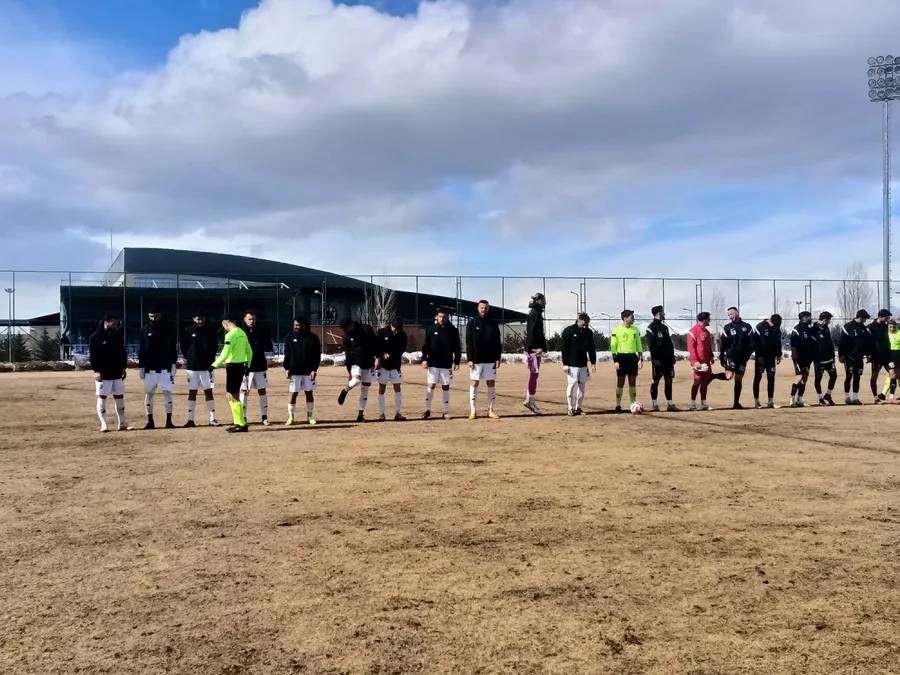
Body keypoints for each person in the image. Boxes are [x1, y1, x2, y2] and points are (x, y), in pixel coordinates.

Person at [212, 313, 253, 433]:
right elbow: (249, 351)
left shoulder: (230, 335)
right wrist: (248, 364)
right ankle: (237, 422)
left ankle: (241, 423)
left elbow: (225, 352)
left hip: (233, 366)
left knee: (233, 395)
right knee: (231, 394)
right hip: (240, 366)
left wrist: (214, 365)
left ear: (224, 323)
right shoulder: (242, 333)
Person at [138, 305, 177, 429]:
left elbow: (173, 347)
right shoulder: (144, 330)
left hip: (165, 368)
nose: (154, 318)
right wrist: (141, 366)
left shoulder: (169, 329)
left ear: (160, 315)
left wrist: (173, 363)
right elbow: (142, 349)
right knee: (149, 393)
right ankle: (150, 421)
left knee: (167, 393)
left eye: (156, 316)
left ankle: (169, 421)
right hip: (150, 368)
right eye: (151, 316)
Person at [89, 313, 128, 432]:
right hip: (103, 373)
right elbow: (93, 356)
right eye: (114, 323)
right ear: (106, 323)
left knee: (119, 396)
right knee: (102, 397)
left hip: (116, 371)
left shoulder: (118, 336)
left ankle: (122, 423)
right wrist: (96, 370)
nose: (116, 325)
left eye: (117, 323)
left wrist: (123, 367)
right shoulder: (95, 337)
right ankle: (104, 424)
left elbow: (123, 353)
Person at [181, 310, 220, 427]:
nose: (200, 321)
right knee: (192, 392)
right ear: (194, 319)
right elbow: (184, 347)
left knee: (209, 391)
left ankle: (212, 419)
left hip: (207, 367)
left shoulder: (211, 330)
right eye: (198, 319)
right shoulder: (188, 330)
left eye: (202, 318)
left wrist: (211, 360)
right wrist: (189, 357)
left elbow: (215, 346)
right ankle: (190, 419)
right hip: (192, 367)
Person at [421, 309, 461, 420]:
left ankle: (445, 411)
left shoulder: (453, 330)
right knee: (431, 385)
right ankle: (427, 410)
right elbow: (425, 346)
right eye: (440, 316)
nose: (441, 319)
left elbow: (457, 347)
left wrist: (457, 361)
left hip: (446, 363)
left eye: (444, 317)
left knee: (445, 386)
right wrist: (424, 359)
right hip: (433, 363)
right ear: (437, 317)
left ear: (448, 317)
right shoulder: (431, 329)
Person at [466, 300, 502, 419]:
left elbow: (497, 342)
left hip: (490, 359)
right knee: (474, 383)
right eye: (482, 308)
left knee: (490, 383)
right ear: (478, 308)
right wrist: (470, 358)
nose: (483, 310)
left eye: (485, 308)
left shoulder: (493, 323)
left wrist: (497, 357)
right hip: (476, 359)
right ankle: (473, 411)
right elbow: (469, 342)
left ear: (488, 309)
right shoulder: (472, 323)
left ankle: (490, 410)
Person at [337, 318, 379, 422]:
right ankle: (345, 390)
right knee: (356, 380)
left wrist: (377, 358)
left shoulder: (366, 329)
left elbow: (376, 343)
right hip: (355, 362)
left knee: (365, 389)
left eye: (345, 329)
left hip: (368, 362)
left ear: (351, 325)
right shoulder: (346, 337)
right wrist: (349, 371)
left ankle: (360, 414)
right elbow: (347, 354)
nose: (344, 331)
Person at [283, 316, 321, 425]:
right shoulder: (290, 337)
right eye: (295, 325)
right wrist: (287, 368)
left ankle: (310, 416)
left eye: (298, 325)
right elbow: (287, 354)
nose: (296, 327)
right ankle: (291, 417)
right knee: (293, 393)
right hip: (294, 371)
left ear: (305, 325)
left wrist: (314, 370)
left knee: (309, 393)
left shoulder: (313, 338)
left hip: (308, 372)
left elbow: (316, 356)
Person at [686, 312, 728, 411]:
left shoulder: (706, 332)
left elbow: (708, 346)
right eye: (709, 319)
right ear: (704, 320)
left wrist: (711, 356)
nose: (710, 320)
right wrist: (695, 361)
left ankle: (704, 404)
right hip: (698, 362)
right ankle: (692, 404)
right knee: (697, 382)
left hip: (706, 362)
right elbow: (691, 349)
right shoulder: (692, 331)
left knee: (705, 382)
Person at [719, 306, 755, 409]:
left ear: (737, 312)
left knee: (738, 379)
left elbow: (751, 344)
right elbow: (723, 343)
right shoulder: (727, 327)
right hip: (731, 356)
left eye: (731, 314)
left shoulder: (747, 327)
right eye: (729, 315)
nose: (730, 317)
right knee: (729, 376)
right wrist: (722, 356)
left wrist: (746, 357)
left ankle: (736, 403)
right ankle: (712, 376)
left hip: (742, 358)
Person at [241, 310, 273, 425]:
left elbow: (269, 346)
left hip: (260, 365)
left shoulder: (262, 330)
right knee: (244, 391)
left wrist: (261, 345)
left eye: (253, 319)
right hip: (245, 367)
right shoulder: (241, 332)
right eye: (249, 319)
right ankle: (243, 418)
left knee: (262, 391)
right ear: (245, 319)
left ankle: (264, 417)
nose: (252, 321)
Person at [561, 313, 596, 415]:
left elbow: (591, 348)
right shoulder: (568, 331)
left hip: (583, 364)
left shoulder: (588, 332)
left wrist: (593, 362)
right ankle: (570, 407)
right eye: (583, 324)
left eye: (586, 324)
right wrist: (565, 364)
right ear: (579, 320)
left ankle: (578, 407)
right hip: (572, 364)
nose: (585, 326)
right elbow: (564, 349)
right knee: (571, 385)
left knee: (582, 386)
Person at [645, 305, 679, 412]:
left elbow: (668, 343)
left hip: (668, 359)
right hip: (658, 360)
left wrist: (672, 356)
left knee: (669, 380)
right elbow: (651, 345)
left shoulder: (665, 327)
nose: (664, 314)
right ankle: (655, 404)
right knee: (655, 381)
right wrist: (654, 358)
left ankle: (670, 404)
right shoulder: (651, 328)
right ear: (659, 313)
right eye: (663, 312)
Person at [376, 318, 408, 421]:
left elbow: (402, 348)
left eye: (398, 329)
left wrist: (392, 354)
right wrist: (381, 355)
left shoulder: (403, 335)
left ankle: (398, 413)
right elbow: (377, 346)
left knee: (397, 388)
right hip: (384, 366)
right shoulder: (382, 332)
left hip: (395, 366)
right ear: (391, 325)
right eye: (395, 329)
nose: (396, 331)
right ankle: (381, 414)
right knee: (382, 388)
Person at [610, 309, 642, 413]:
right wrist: (615, 360)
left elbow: (639, 345)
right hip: (621, 358)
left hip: (632, 358)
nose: (633, 319)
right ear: (625, 318)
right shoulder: (616, 330)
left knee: (632, 382)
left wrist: (640, 359)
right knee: (620, 382)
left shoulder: (635, 330)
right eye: (631, 317)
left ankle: (633, 404)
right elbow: (613, 346)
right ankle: (618, 405)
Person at [838, 309, 871, 405]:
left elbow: (866, 343)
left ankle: (855, 398)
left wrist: (868, 354)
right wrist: (841, 355)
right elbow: (842, 343)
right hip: (849, 357)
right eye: (865, 318)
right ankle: (847, 397)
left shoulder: (864, 328)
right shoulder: (847, 327)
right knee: (849, 377)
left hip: (860, 358)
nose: (865, 320)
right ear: (860, 318)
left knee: (857, 377)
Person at [523, 292, 547, 414]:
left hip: (535, 348)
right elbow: (532, 332)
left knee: (534, 374)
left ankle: (530, 399)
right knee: (534, 373)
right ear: (538, 301)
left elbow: (539, 333)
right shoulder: (534, 314)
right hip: (533, 349)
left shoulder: (537, 313)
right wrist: (535, 347)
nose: (545, 303)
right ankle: (530, 400)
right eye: (543, 300)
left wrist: (542, 347)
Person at [752, 314, 783, 409]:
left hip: (771, 358)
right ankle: (757, 402)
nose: (776, 327)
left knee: (771, 378)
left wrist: (778, 354)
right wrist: (756, 354)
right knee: (758, 378)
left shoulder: (776, 328)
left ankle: (770, 401)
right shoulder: (760, 327)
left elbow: (778, 342)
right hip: (760, 357)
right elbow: (754, 342)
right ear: (770, 321)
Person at [788, 312, 815, 407]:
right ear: (802, 318)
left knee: (804, 379)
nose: (809, 319)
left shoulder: (809, 329)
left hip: (807, 358)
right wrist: (795, 358)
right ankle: (792, 399)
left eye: (809, 317)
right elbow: (794, 344)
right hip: (798, 358)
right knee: (799, 377)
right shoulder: (797, 329)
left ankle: (800, 399)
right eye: (807, 317)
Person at [810, 311, 837, 406]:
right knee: (818, 379)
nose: (829, 322)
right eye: (828, 320)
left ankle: (828, 395)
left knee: (834, 376)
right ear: (824, 320)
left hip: (829, 359)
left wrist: (833, 356)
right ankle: (820, 398)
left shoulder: (826, 328)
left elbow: (829, 342)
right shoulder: (813, 330)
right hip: (819, 360)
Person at [868, 309, 892, 403]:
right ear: (880, 317)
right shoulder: (871, 327)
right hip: (876, 357)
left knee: (894, 374)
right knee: (874, 376)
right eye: (886, 317)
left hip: (887, 356)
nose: (887, 319)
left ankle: (891, 396)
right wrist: (868, 354)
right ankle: (876, 397)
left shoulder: (886, 327)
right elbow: (867, 342)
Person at [881, 318, 900, 400]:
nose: (892, 329)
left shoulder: (899, 333)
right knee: (892, 374)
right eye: (890, 327)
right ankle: (887, 395)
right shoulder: (885, 334)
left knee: (897, 375)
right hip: (889, 356)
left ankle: (883, 394)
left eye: (894, 327)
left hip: (898, 355)